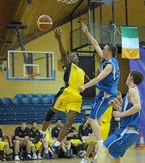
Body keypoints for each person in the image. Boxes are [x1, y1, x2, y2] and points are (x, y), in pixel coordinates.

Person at [34, 28, 90, 158]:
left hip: (77, 96)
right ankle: (42, 132)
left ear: (78, 60)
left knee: (69, 123)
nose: (73, 56)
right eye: (71, 56)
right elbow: (64, 54)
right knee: (52, 111)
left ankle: (57, 144)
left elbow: (91, 82)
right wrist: (59, 40)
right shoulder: (69, 66)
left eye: (75, 56)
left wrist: (99, 78)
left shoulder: (82, 72)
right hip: (67, 91)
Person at [79, 23, 120, 154]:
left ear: (110, 52)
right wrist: (87, 33)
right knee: (94, 119)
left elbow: (98, 79)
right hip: (103, 93)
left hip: (107, 95)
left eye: (105, 49)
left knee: (91, 119)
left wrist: (84, 86)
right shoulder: (106, 59)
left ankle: (101, 145)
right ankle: (97, 138)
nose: (102, 49)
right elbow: (96, 44)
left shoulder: (109, 66)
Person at [95, 71, 144, 163]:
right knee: (114, 156)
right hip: (130, 133)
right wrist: (117, 105)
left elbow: (138, 107)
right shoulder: (134, 91)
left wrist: (120, 114)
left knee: (102, 149)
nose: (126, 77)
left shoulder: (132, 90)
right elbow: (129, 110)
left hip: (126, 131)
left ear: (130, 78)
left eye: (128, 75)